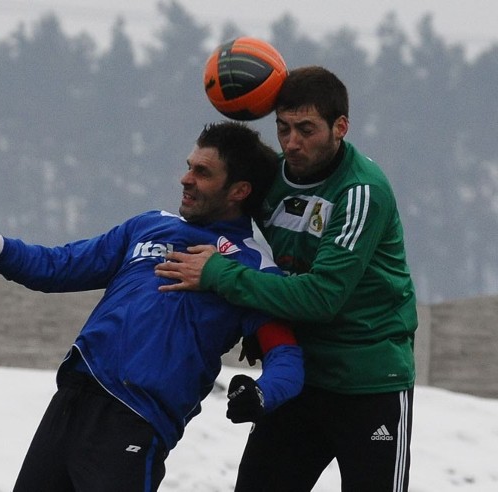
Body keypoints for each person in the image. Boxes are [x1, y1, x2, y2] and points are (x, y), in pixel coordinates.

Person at [0, 121, 304, 492]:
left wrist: (261, 394)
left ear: (239, 190)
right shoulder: (149, 225)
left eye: (202, 172)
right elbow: (57, 266)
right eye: (189, 166)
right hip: (71, 401)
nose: (185, 179)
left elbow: (287, 358)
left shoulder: (254, 268)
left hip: (135, 418)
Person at [155, 67, 418, 491]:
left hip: (369, 381)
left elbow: (320, 298)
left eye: (306, 130)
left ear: (340, 127)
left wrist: (221, 274)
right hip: (300, 379)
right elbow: (225, 216)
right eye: (283, 128)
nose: (292, 142)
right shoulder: (270, 178)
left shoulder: (360, 192)